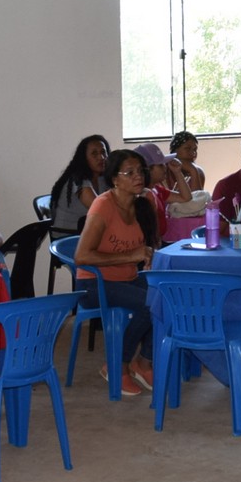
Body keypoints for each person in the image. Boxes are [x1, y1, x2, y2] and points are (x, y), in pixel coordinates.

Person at [72, 148, 156, 398]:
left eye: (140, 171)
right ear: (115, 179)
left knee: (167, 297)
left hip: (128, 278)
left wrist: (149, 256)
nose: (137, 176)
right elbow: (81, 256)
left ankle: (144, 362)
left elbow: (148, 245)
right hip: (93, 285)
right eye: (129, 172)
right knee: (149, 305)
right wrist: (130, 256)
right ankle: (116, 366)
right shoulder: (103, 206)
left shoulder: (144, 203)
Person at [135, 142, 197, 243]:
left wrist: (177, 172)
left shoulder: (157, 190)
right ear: (148, 169)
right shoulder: (142, 195)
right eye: (160, 165)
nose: (165, 167)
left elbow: (186, 197)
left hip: (159, 241)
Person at [48, 135, 109, 234]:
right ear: (84, 158)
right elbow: (100, 209)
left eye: (103, 152)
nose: (101, 157)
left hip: (87, 233)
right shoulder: (77, 179)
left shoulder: (102, 179)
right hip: (68, 237)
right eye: (94, 154)